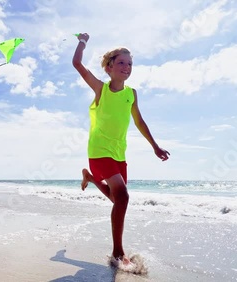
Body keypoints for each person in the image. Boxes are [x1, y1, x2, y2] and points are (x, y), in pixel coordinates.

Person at [72, 33, 170, 268]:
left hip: (119, 153)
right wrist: (82, 41)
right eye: (121, 63)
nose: (126, 67)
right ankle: (117, 252)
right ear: (109, 67)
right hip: (99, 150)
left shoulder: (131, 94)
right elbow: (77, 63)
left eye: (130, 64)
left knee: (118, 199)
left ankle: (91, 178)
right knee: (123, 197)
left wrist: (155, 146)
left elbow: (139, 121)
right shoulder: (101, 89)